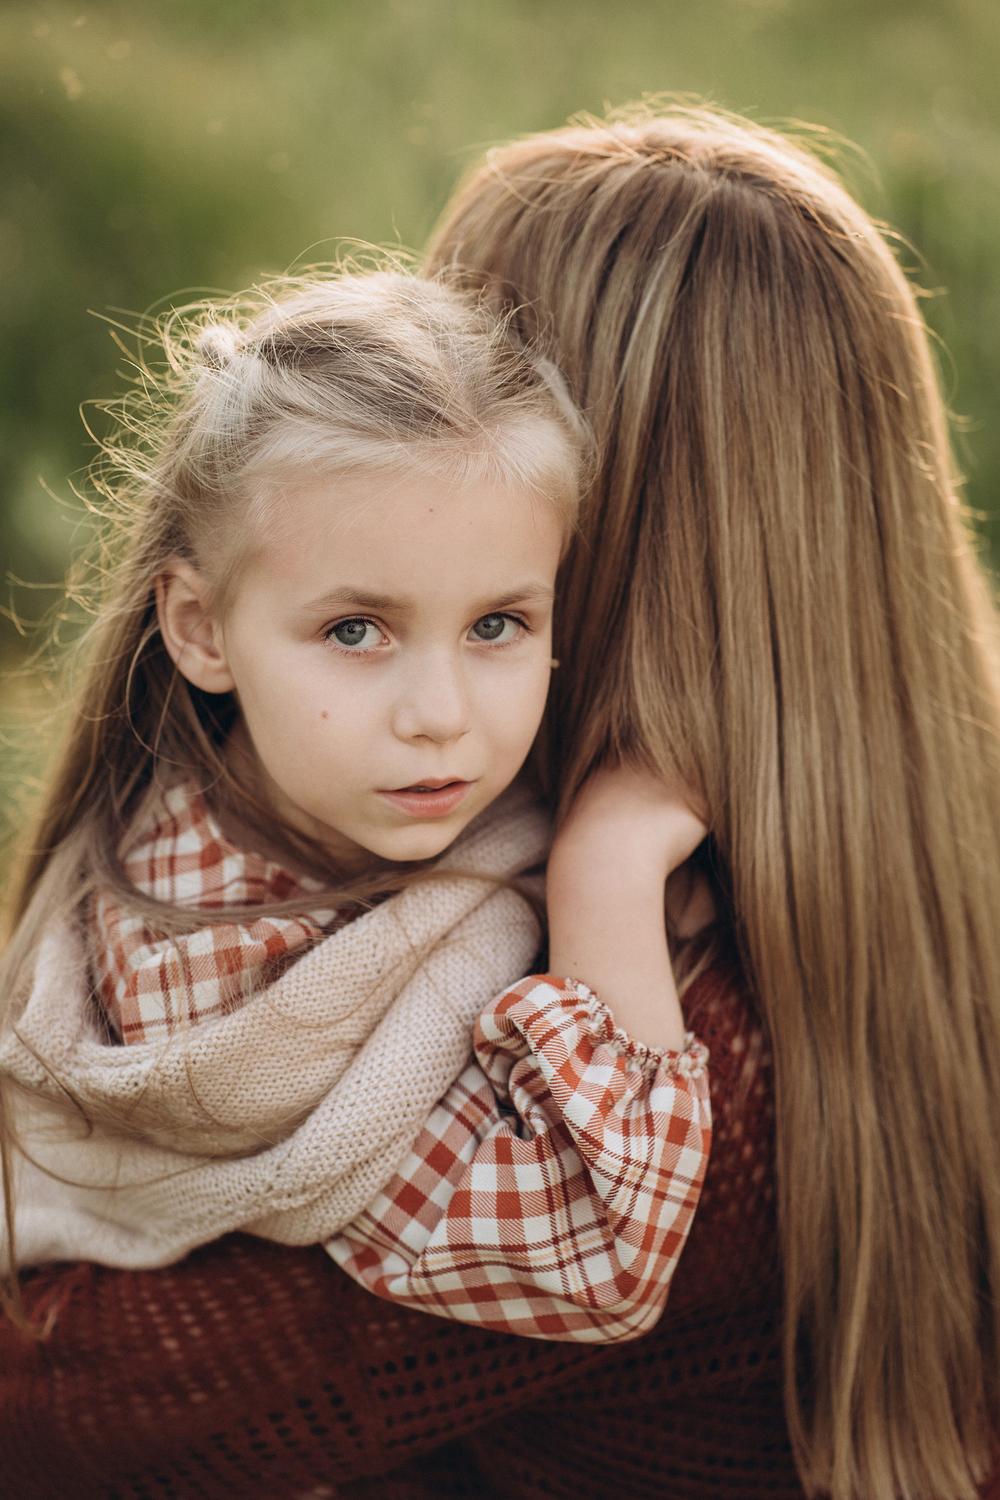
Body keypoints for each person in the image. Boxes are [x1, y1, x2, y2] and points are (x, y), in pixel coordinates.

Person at [2, 105, 998, 1500]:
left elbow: (66, 1407)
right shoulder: (945, 839)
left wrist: (598, 874)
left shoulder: (643, 1053)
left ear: (590, 516)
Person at [0, 267, 712, 1343]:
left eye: (496, 625)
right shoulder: (199, 990)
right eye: (354, 631)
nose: (441, 716)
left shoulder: (400, 791)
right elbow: (596, 1258)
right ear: (200, 630)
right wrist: (604, 869)